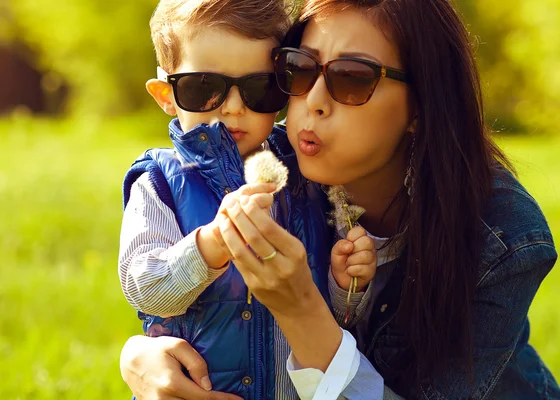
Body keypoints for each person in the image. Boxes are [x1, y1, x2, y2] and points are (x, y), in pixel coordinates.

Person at [119, 0, 560, 399]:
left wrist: (302, 308)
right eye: (299, 70)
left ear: (422, 106)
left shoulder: (505, 240)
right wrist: (140, 354)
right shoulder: (270, 168)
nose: (313, 101)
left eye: (351, 79)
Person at [118, 0, 376, 398]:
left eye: (258, 88)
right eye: (204, 87)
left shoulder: (305, 177)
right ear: (166, 95)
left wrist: (345, 284)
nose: (234, 107)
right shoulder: (158, 183)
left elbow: (332, 322)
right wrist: (211, 245)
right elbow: (145, 289)